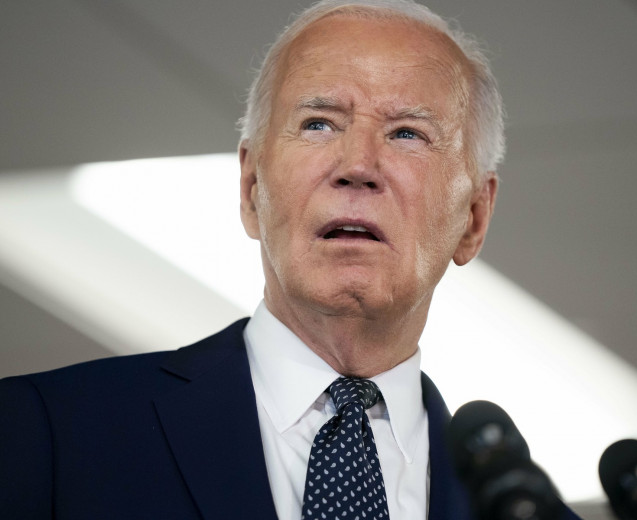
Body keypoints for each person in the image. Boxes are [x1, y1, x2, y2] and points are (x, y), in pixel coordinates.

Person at [0, 1, 581, 518]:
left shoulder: (516, 508)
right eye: (319, 123)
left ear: (474, 219)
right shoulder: (45, 433)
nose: (358, 165)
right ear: (252, 187)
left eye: (407, 134)